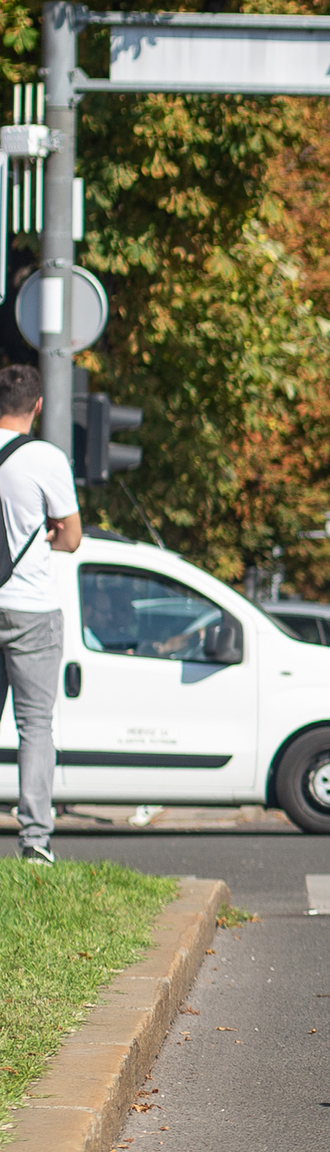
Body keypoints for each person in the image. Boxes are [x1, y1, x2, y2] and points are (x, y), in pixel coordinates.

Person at [0, 364, 84, 865]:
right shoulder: (45, 458)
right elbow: (71, 539)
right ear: (36, 406)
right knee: (33, 725)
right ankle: (34, 840)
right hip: (30, 607)